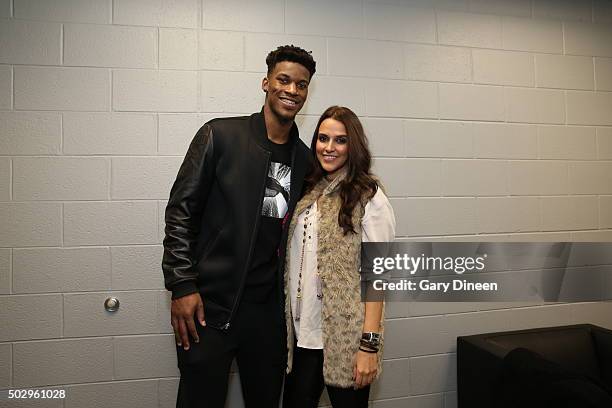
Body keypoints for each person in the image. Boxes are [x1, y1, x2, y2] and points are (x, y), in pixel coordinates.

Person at [162, 45, 316, 408]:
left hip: (268, 316)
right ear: (266, 83)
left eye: (302, 84)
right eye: (283, 80)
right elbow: (180, 213)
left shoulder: (304, 160)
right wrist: (182, 284)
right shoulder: (219, 135)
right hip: (209, 308)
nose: (292, 90)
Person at [282, 106, 396, 408]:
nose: (329, 148)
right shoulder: (310, 192)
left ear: (353, 145)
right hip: (303, 337)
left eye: (340, 140)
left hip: (346, 341)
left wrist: (368, 347)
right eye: (323, 138)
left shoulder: (369, 195)